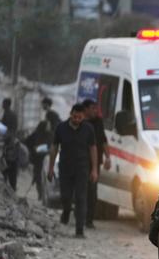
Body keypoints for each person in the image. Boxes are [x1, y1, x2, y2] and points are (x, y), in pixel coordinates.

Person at [47, 104, 98, 238]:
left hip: (82, 168)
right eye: (74, 117)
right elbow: (54, 147)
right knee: (66, 196)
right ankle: (66, 211)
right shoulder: (61, 128)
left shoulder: (88, 129)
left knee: (81, 198)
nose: (77, 120)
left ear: (83, 117)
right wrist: (51, 168)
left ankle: (79, 230)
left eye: (79, 117)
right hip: (65, 168)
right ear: (71, 114)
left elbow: (93, 148)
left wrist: (94, 169)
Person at [82, 99, 112, 229]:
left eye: (96, 108)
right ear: (86, 109)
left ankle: (89, 220)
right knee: (81, 191)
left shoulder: (98, 122)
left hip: (95, 163)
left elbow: (103, 140)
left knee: (92, 192)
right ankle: (80, 217)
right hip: (81, 163)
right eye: (92, 108)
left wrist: (108, 157)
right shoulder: (80, 122)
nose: (95, 111)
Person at [1, 98, 20, 191]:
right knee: (9, 167)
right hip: (10, 143)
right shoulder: (10, 114)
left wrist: (6, 140)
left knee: (8, 166)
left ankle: (10, 187)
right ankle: (11, 187)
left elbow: (8, 129)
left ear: (6, 104)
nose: (2, 105)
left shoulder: (9, 114)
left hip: (10, 144)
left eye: (3, 103)